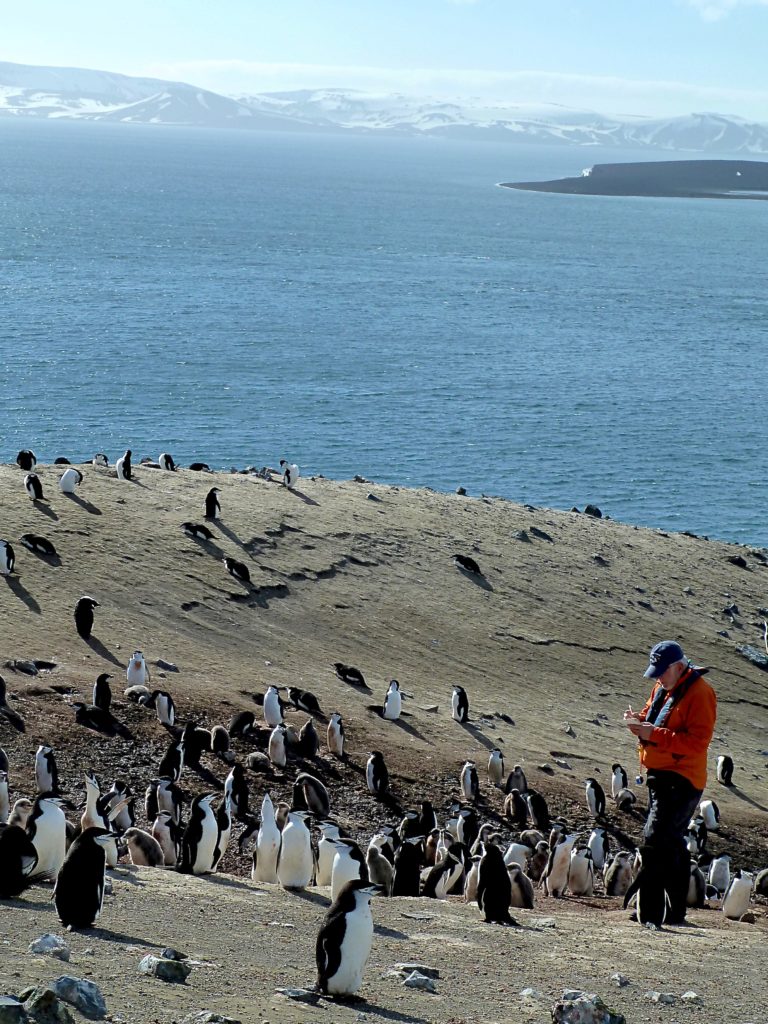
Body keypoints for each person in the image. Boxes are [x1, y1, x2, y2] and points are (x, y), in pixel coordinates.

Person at [623, 640, 717, 924]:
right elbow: (653, 718)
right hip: (660, 774)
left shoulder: (701, 693)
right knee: (672, 843)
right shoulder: (663, 687)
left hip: (682, 779)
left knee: (655, 841)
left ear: (679, 666)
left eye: (662, 672)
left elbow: (698, 743)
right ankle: (675, 910)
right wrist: (636, 721)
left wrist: (654, 735)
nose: (658, 677)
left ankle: (650, 911)